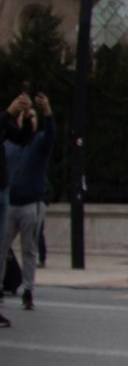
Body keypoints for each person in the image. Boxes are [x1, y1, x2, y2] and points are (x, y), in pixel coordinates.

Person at [2, 93, 52, 312]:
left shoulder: (39, 141)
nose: (29, 120)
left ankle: (28, 290)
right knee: (2, 248)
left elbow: (51, 136)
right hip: (11, 203)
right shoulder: (10, 143)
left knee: (29, 250)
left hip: (31, 203)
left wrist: (48, 113)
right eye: (26, 116)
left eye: (33, 117)